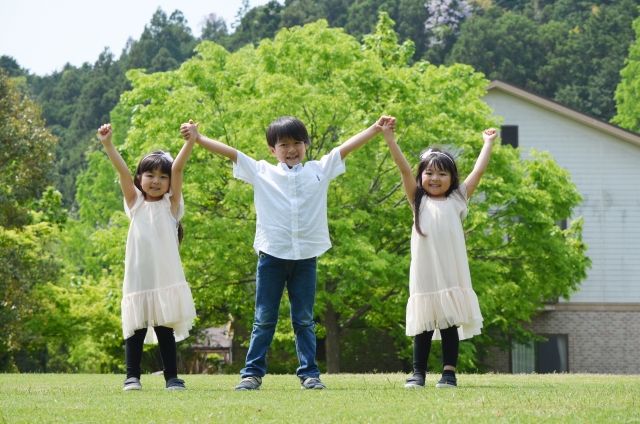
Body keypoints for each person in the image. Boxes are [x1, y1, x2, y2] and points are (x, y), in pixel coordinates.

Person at [179, 116, 395, 390]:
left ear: (306, 145)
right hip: (271, 256)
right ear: (273, 150)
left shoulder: (319, 170)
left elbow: (345, 148)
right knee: (263, 319)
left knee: (304, 319)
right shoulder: (262, 171)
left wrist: (375, 129)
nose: (291, 149)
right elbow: (231, 153)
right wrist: (198, 138)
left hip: (305, 258)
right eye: (283, 145)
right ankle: (251, 374)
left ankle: (310, 374)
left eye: (297, 143)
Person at [380, 121, 497, 388]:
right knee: (423, 323)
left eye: (442, 174)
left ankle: (449, 374)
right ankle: (418, 374)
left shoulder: (457, 199)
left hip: (451, 274)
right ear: (421, 177)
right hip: (425, 274)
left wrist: (488, 143)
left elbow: (478, 171)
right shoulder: (417, 200)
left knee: (449, 324)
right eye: (429, 173)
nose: (435, 178)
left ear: (452, 179)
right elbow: (403, 168)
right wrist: (390, 139)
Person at [97, 123, 197, 391]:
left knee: (165, 329)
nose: (156, 181)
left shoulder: (171, 206)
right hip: (139, 277)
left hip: (165, 278)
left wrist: (191, 141)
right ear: (140, 178)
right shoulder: (135, 203)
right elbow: (122, 171)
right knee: (136, 328)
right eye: (150, 175)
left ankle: (172, 378)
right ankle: (132, 377)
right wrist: (108, 144)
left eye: (163, 177)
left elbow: (178, 168)